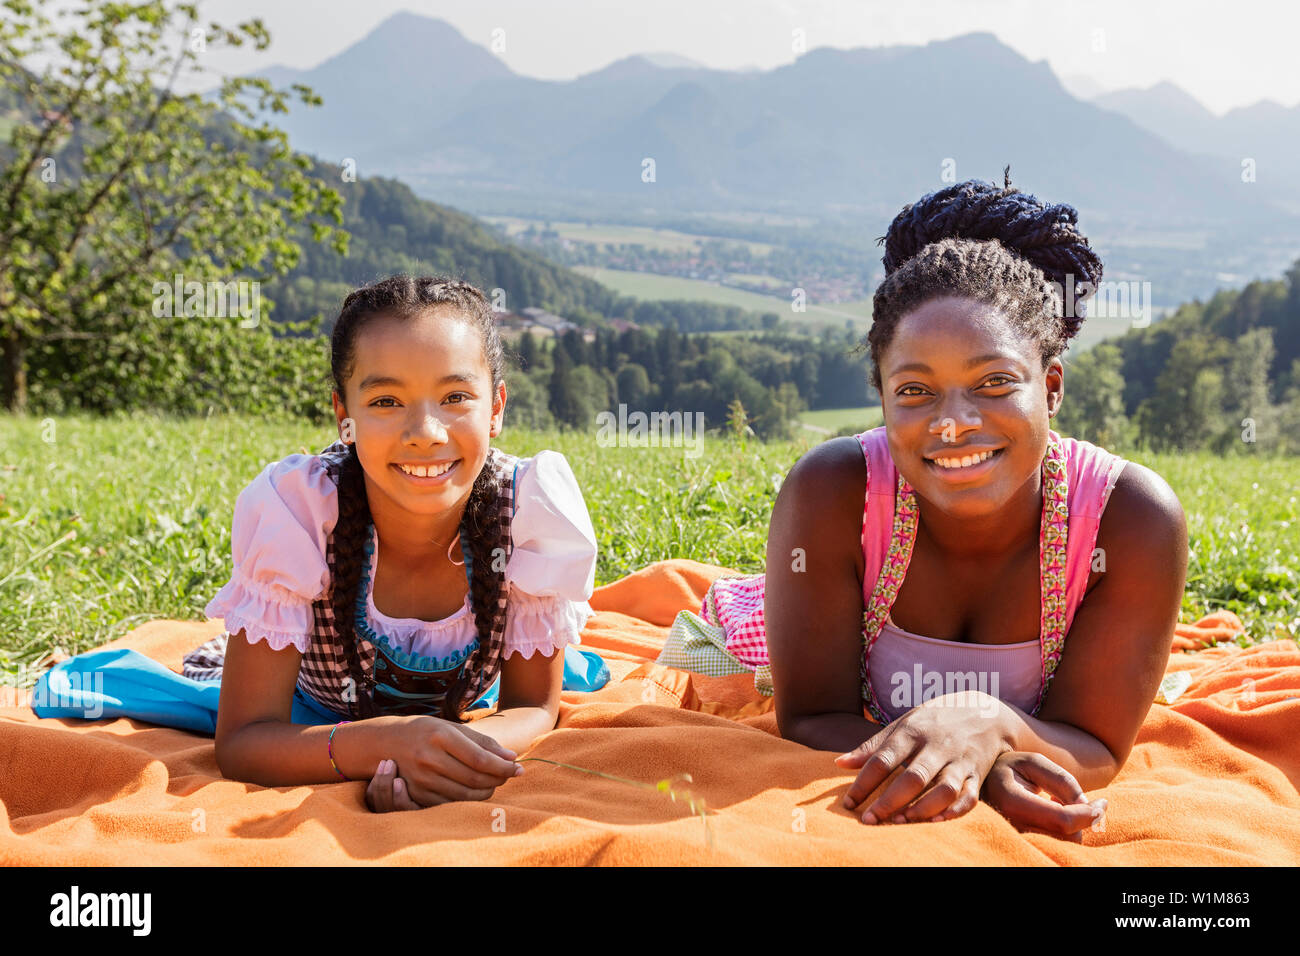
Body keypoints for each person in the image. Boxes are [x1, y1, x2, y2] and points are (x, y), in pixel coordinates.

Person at [700, 174, 1188, 840]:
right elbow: (811, 719)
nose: (953, 425)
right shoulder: (834, 494)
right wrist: (977, 765)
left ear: (1051, 388)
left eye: (993, 383)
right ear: (881, 399)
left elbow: (1097, 745)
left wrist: (989, 724)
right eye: (916, 391)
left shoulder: (1128, 520)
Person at [195, 274, 599, 813]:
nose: (425, 431)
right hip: (310, 719)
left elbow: (531, 707)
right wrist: (387, 746)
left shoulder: (528, 512)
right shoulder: (301, 512)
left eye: (455, 396)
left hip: (450, 729)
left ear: (496, 407)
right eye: (386, 400)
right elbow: (244, 742)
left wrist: (445, 762)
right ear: (345, 416)